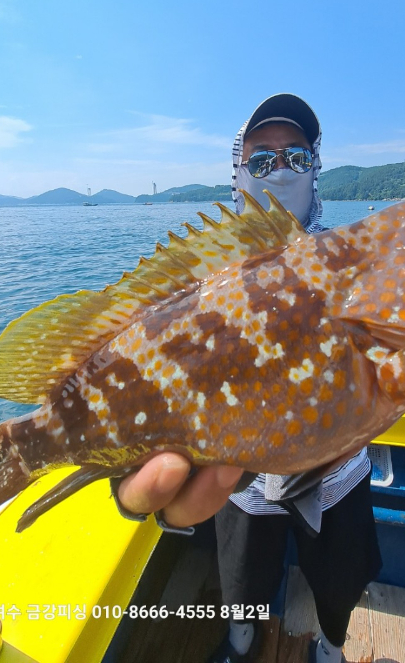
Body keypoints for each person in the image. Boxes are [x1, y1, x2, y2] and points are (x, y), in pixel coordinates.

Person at [117, 94, 382, 663]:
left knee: (341, 577)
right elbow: (149, 359)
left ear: (317, 168)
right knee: (241, 581)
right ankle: (242, 641)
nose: (280, 170)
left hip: (337, 471)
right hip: (243, 478)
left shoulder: (354, 259)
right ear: (237, 175)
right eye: (261, 160)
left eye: (297, 156)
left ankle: (332, 646)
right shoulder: (200, 279)